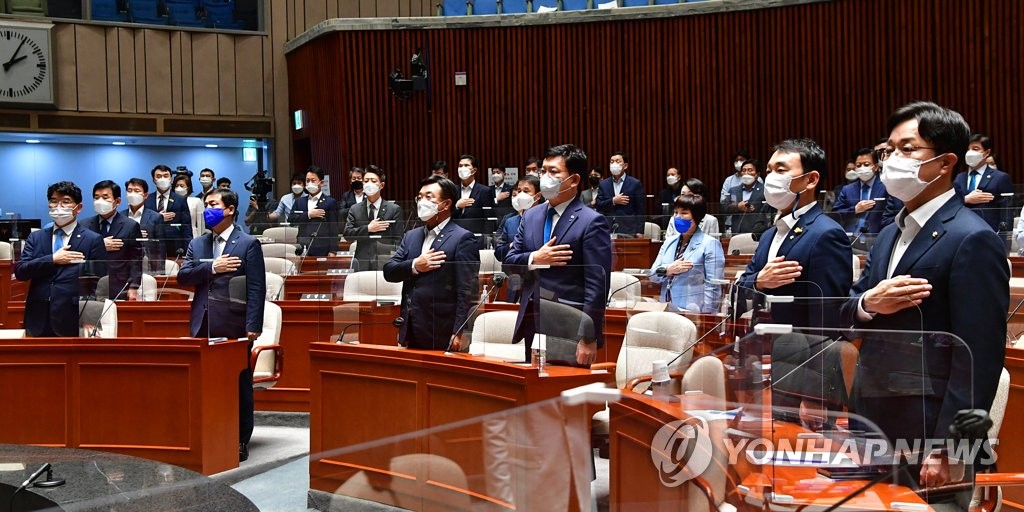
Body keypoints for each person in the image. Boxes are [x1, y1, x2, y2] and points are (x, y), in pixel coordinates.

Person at [840, 102, 1008, 491]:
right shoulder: (888, 235)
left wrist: (950, 448)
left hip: (927, 433)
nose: (891, 161)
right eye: (889, 150)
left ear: (946, 162)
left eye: (908, 149)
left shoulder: (973, 237)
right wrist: (869, 304)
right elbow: (850, 306)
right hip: (873, 419)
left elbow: (977, 354)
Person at [177, 188, 265, 463]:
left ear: (229, 209)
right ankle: (208, 431)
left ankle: (240, 439)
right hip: (203, 321)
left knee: (238, 385)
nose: (207, 210)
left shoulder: (248, 243)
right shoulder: (199, 244)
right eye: (205, 205)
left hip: (234, 323)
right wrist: (213, 267)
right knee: (205, 383)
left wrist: (253, 325)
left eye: (213, 204)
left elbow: (256, 288)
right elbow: (183, 276)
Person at [506, 144, 612, 366]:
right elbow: (509, 262)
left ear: (573, 180)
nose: (544, 177)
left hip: (569, 322)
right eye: (543, 171)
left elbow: (597, 286)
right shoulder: (531, 215)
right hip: (532, 318)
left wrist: (589, 336)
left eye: (553, 172)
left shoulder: (592, 221)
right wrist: (535, 258)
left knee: (565, 394)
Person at [736, 138, 852, 329]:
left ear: (811, 179)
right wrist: (759, 281)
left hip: (798, 351)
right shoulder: (768, 235)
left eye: (780, 171)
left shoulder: (827, 234)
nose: (771, 177)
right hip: (760, 346)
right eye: (769, 171)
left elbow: (826, 316)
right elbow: (742, 287)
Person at [383, 175, 480, 350]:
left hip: (442, 328)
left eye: (429, 197)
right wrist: (414, 265)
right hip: (410, 325)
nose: (422, 202)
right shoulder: (411, 235)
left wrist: (458, 331)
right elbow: (389, 270)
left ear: (446, 204)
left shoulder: (462, 238)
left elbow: (467, 290)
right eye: (419, 197)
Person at [15, 181, 107, 337]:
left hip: (73, 317)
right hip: (37, 316)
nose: (58, 206)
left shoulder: (92, 239)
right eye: (53, 201)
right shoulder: (36, 237)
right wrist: (52, 259)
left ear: (78, 208)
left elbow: (99, 283)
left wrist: (91, 317)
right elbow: (21, 271)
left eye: (65, 201)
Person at [648, 194, 724, 313]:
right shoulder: (669, 242)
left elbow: (713, 285)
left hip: (694, 310)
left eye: (683, 213)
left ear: (697, 216)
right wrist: (668, 269)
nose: (677, 217)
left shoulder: (710, 244)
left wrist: (708, 316)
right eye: (675, 213)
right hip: (666, 307)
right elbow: (652, 274)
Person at [82, 180, 143, 301]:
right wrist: (100, 245)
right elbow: (78, 254)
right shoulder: (84, 225)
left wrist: (134, 287)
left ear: (118, 201)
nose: (100, 201)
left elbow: (136, 259)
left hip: (119, 284)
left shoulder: (130, 225)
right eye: (96, 197)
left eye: (105, 197)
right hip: (90, 285)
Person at [343, 167, 406, 271]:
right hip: (362, 262)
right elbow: (347, 234)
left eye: (373, 181)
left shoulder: (394, 209)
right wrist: (368, 228)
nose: (369, 184)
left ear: (381, 185)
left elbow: (398, 240)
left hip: (385, 261)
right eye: (366, 181)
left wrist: (396, 262)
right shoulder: (355, 209)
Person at [953, 133, 1014, 233]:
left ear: (987, 153)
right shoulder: (959, 178)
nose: (970, 152)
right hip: (962, 233)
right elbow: (950, 206)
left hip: (990, 234)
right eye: (968, 149)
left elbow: (1006, 213)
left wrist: (1005, 240)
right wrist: (966, 199)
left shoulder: (1000, 178)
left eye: (975, 149)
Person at [833, 147, 888, 237]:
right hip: (851, 237)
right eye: (858, 165)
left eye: (866, 164)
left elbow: (890, 214)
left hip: (877, 236)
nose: (862, 168)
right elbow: (835, 214)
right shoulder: (847, 190)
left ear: (876, 166)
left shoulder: (885, 186)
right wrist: (854, 210)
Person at [288, 166, 339, 257]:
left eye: (313, 180)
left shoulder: (330, 202)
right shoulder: (299, 201)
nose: (310, 183)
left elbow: (333, 229)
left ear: (321, 182)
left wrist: (333, 250)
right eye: (307, 181)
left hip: (322, 249)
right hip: (302, 247)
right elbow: (291, 220)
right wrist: (308, 215)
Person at [145, 164, 192, 258]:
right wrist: (158, 218)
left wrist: (188, 251)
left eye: (166, 176)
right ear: (154, 180)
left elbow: (187, 227)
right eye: (159, 176)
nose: (162, 179)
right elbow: (142, 222)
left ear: (171, 179)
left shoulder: (180, 199)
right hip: (152, 244)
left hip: (175, 246)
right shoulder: (146, 199)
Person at [595, 150, 645, 237]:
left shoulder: (635, 183)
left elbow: (640, 210)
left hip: (628, 230)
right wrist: (613, 201)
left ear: (625, 166)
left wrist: (639, 231)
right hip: (607, 229)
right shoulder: (604, 184)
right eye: (612, 162)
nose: (614, 164)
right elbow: (599, 205)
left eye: (618, 161)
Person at [494, 174, 543, 262]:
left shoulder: (546, 218)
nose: (521, 195)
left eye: (526, 191)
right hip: (515, 271)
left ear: (538, 196)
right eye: (519, 191)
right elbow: (498, 253)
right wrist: (514, 244)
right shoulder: (510, 222)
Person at [124, 178, 167, 273]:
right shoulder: (119, 216)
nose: (132, 194)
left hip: (147, 263)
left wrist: (160, 272)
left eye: (137, 191)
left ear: (146, 195)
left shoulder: (156, 217)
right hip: (123, 264)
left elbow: (161, 247)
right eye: (129, 191)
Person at [451, 154, 496, 242]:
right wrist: (457, 206)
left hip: (476, 237)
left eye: (466, 165)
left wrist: (485, 239)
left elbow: (489, 219)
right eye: (460, 166)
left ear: (474, 170)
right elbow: (447, 215)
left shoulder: (484, 191)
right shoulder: (453, 190)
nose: (462, 168)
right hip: (455, 237)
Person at [724, 160, 771, 236]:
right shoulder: (733, 190)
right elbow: (724, 207)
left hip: (758, 233)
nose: (746, 173)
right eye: (744, 170)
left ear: (757, 174)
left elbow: (770, 211)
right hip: (737, 232)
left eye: (750, 170)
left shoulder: (765, 190)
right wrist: (737, 207)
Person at [173, 173, 206, 239]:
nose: (179, 188)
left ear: (188, 188)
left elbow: (201, 223)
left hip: (192, 236)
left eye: (182, 186)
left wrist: (201, 239)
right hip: (174, 237)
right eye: (176, 186)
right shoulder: (171, 202)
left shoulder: (196, 201)